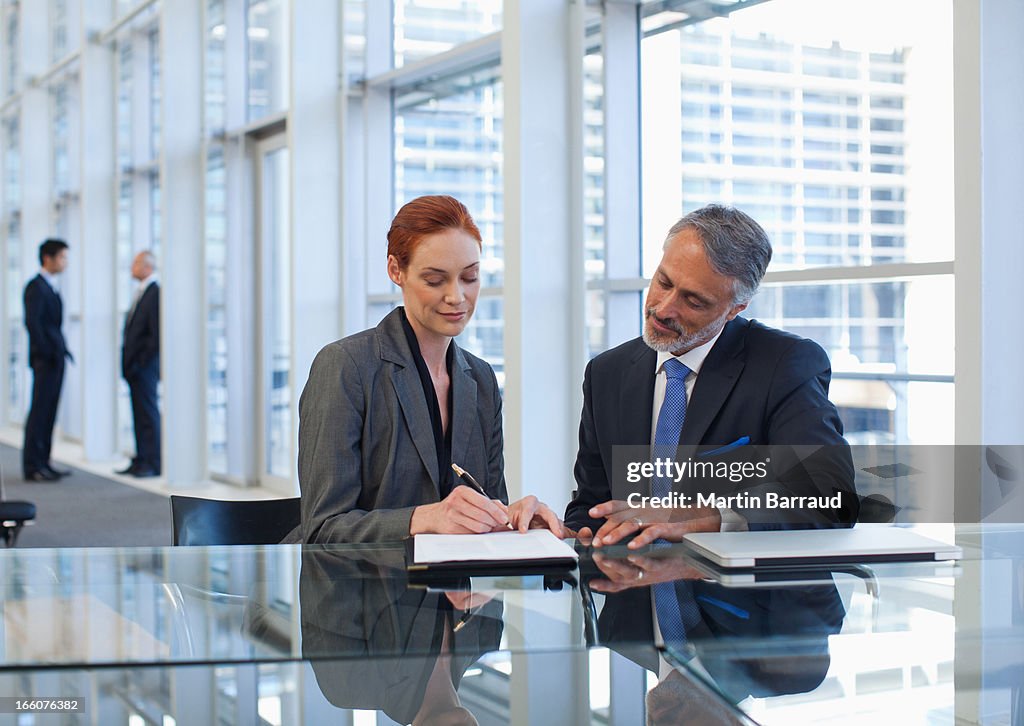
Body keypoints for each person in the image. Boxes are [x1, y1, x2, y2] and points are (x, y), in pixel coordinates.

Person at [565, 203, 858, 546]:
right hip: (632, 591)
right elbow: (593, 507)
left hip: (749, 595)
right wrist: (559, 535)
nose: (663, 308)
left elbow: (831, 498)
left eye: (693, 301)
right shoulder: (607, 373)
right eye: (663, 282)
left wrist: (699, 516)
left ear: (736, 308)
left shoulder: (785, 365)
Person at [298, 195, 563, 543]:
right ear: (396, 270)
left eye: (469, 277)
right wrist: (425, 518)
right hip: (362, 591)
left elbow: (485, 503)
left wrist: (513, 521)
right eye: (435, 280)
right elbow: (322, 529)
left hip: (458, 592)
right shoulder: (346, 367)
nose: (456, 297)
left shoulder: (480, 380)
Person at [22, 238, 73, 482]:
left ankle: (44, 461)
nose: (66, 262)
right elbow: (33, 323)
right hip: (46, 360)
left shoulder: (50, 285)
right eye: (62, 257)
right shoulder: (36, 286)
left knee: (49, 411)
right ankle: (33, 465)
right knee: (40, 411)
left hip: (55, 358)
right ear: (47, 258)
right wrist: (47, 352)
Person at [116, 251, 161, 478]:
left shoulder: (155, 292)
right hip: (134, 366)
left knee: (147, 413)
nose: (131, 266)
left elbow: (155, 335)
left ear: (148, 266)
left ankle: (152, 461)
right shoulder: (141, 292)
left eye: (135, 263)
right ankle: (141, 458)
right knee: (138, 413)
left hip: (145, 367)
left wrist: (141, 363)